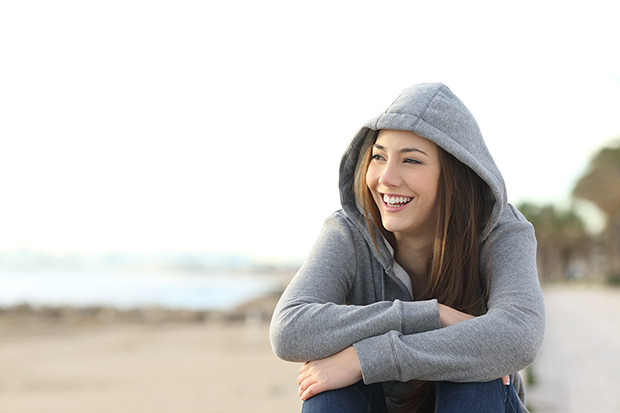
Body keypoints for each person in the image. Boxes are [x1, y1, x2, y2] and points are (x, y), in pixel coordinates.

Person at [269, 83, 545, 413]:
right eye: (378, 157)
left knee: (475, 375)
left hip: (475, 404)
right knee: (328, 393)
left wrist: (367, 357)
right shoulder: (350, 231)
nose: (386, 178)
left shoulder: (501, 231)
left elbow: (518, 336)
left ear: (455, 173)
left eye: (411, 160)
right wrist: (431, 314)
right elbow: (289, 329)